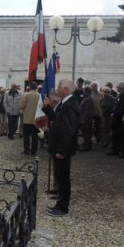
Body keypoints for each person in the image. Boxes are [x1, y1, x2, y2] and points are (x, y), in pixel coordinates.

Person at [44, 79, 80, 217]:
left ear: (66, 89)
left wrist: (63, 151)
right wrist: (47, 108)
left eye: (59, 87)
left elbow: (69, 130)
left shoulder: (70, 105)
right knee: (60, 176)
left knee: (64, 177)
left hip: (62, 148)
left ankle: (63, 207)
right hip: (58, 146)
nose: (57, 90)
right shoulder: (65, 103)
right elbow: (58, 120)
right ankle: (60, 203)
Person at [108, 82, 124, 158]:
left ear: (122, 88)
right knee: (116, 135)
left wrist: (114, 114)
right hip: (117, 119)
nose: (117, 88)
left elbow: (123, 108)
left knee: (123, 136)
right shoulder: (121, 95)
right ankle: (115, 150)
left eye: (118, 87)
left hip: (122, 119)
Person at [19, 82, 41, 155]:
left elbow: (21, 105)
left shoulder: (26, 95)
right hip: (36, 119)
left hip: (27, 119)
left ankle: (26, 150)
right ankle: (33, 151)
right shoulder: (39, 95)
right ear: (36, 88)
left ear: (30, 87)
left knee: (26, 137)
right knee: (35, 137)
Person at [79, 85, 94, 151]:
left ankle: (87, 146)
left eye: (84, 91)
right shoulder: (87, 97)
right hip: (84, 118)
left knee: (86, 133)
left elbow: (88, 111)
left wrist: (84, 119)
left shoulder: (89, 99)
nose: (83, 92)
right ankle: (86, 144)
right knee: (85, 132)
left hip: (86, 119)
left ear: (86, 91)